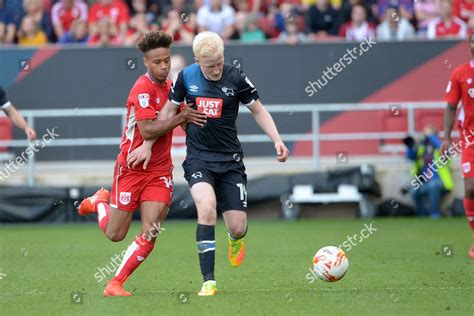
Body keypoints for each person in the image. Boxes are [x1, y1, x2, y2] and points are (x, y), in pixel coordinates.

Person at [129, 31, 289, 296]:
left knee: (237, 227)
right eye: (209, 65)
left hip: (230, 162)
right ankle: (209, 281)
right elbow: (168, 113)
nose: (216, 69)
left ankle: (235, 239)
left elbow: (258, 110)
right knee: (206, 209)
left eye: (219, 62)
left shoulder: (236, 77)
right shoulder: (186, 77)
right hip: (199, 158)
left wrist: (277, 140)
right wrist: (147, 142)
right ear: (196, 60)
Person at [77, 31, 206, 297]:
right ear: (146, 63)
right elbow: (148, 130)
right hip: (131, 168)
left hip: (159, 171)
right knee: (115, 234)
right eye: (158, 62)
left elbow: (168, 121)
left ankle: (114, 283)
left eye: (167, 60)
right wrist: (181, 116)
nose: (164, 66)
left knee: (152, 229)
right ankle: (100, 201)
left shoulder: (171, 88)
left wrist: (181, 118)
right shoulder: (142, 88)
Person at [442, 33, 474, 259]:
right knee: (471, 188)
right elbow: (451, 107)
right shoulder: (460, 73)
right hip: (470, 140)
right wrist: (446, 137)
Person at [405, 125, 453, 218]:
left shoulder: (441, 146)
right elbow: (410, 157)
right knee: (414, 190)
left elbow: (445, 152)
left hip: (441, 182)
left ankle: (435, 214)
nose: (425, 135)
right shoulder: (422, 148)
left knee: (433, 185)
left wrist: (431, 136)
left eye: (427, 133)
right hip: (424, 182)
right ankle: (422, 214)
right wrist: (411, 144)